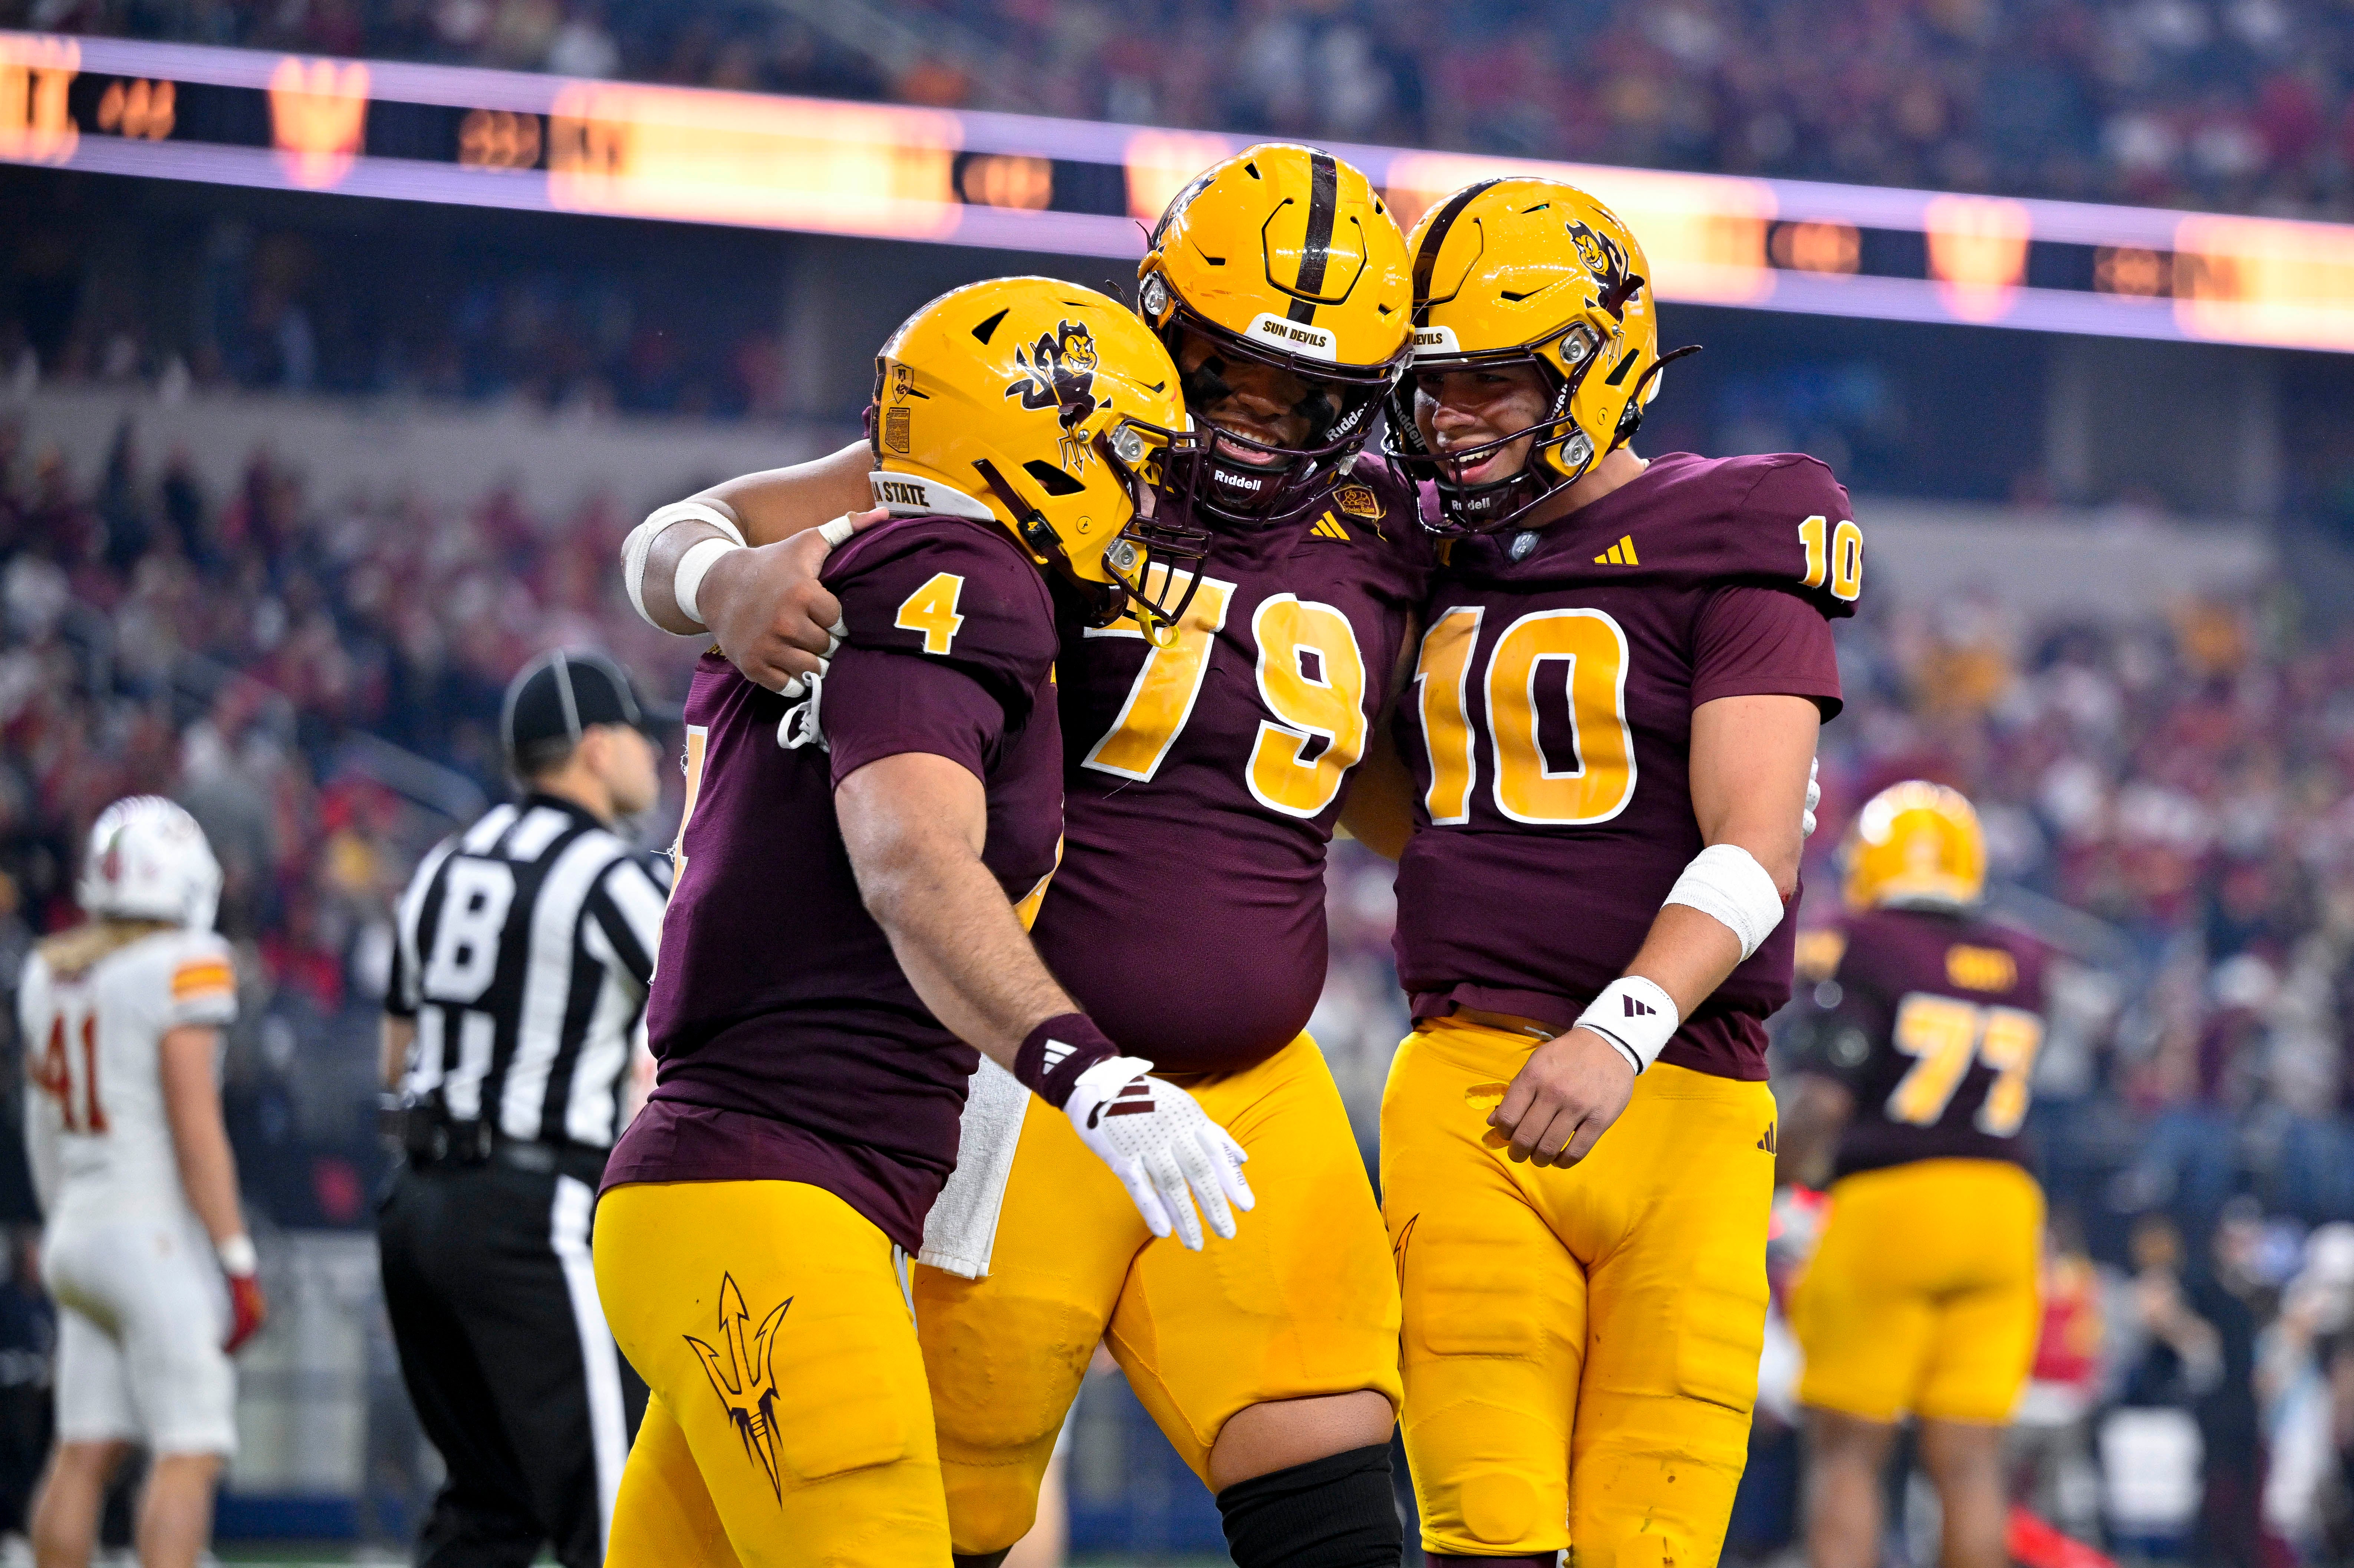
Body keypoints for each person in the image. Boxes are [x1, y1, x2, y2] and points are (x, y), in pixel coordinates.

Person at [618, 145, 1431, 1567]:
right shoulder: (1053, 430)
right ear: (1152, 323)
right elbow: (686, 529)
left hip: (1252, 1083)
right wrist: (718, 577)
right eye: (1223, 367)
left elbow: (1375, 775)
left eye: (1297, 393)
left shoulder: (1380, 532)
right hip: (1010, 1067)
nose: (1249, 422)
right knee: (923, 1515)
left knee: (1339, 1494)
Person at [593, 274, 1254, 1567]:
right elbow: (905, 856)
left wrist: (708, 569)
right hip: (772, 1186)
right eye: (1120, 456)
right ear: (1031, 448)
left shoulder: (874, 547)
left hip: (734, 1184)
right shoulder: (968, 568)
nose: (1144, 496)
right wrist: (1091, 1072)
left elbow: (689, 532)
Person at [1367, 176, 1854, 1566]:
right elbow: (1428, 810)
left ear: (1595, 365)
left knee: (1652, 1538)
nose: (1450, 420)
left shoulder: (1740, 523)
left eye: (1489, 384)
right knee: (1490, 1531)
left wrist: (1615, 1025)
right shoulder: (1421, 550)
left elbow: (1753, 847)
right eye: (1432, 388)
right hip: (1469, 1080)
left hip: (1682, 1087)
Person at [376, 648, 671, 1568]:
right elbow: (708, 998)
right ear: (593, 748)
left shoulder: (442, 863)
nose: (653, 758)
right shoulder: (609, 875)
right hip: (533, 1210)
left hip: (419, 1209)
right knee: (621, 1509)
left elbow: (397, 1052)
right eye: (637, 735)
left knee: (489, 1509)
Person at [1776, 782, 2053, 1568]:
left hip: (1892, 1202)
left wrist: (1762, 1179)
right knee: (1970, 1462)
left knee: (1846, 1453)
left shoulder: (1861, 940)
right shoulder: (2022, 958)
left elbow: (1825, 1101)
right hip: (2004, 1210)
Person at [17, 796, 267, 1568]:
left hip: (77, 1229)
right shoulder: (183, 962)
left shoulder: (48, 969)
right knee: (189, 1450)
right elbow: (196, 1130)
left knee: (84, 1449)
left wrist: (61, 1219)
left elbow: (41, 1127)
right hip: (148, 1233)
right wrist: (235, 1258)